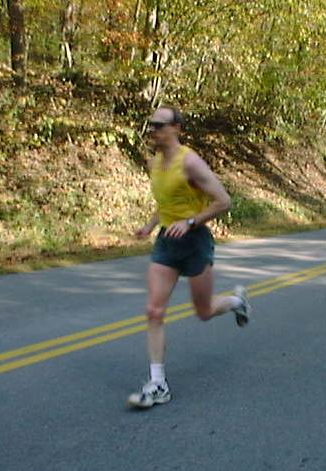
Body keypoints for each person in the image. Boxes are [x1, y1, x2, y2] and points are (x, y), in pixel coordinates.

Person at [128, 106, 251, 408]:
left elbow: (223, 201)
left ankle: (237, 302)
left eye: (159, 125)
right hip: (167, 242)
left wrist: (191, 222)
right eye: (151, 125)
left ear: (176, 128)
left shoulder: (191, 162)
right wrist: (150, 225)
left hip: (195, 242)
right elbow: (167, 202)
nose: (153, 130)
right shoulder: (155, 163)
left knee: (204, 312)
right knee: (154, 311)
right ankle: (158, 384)